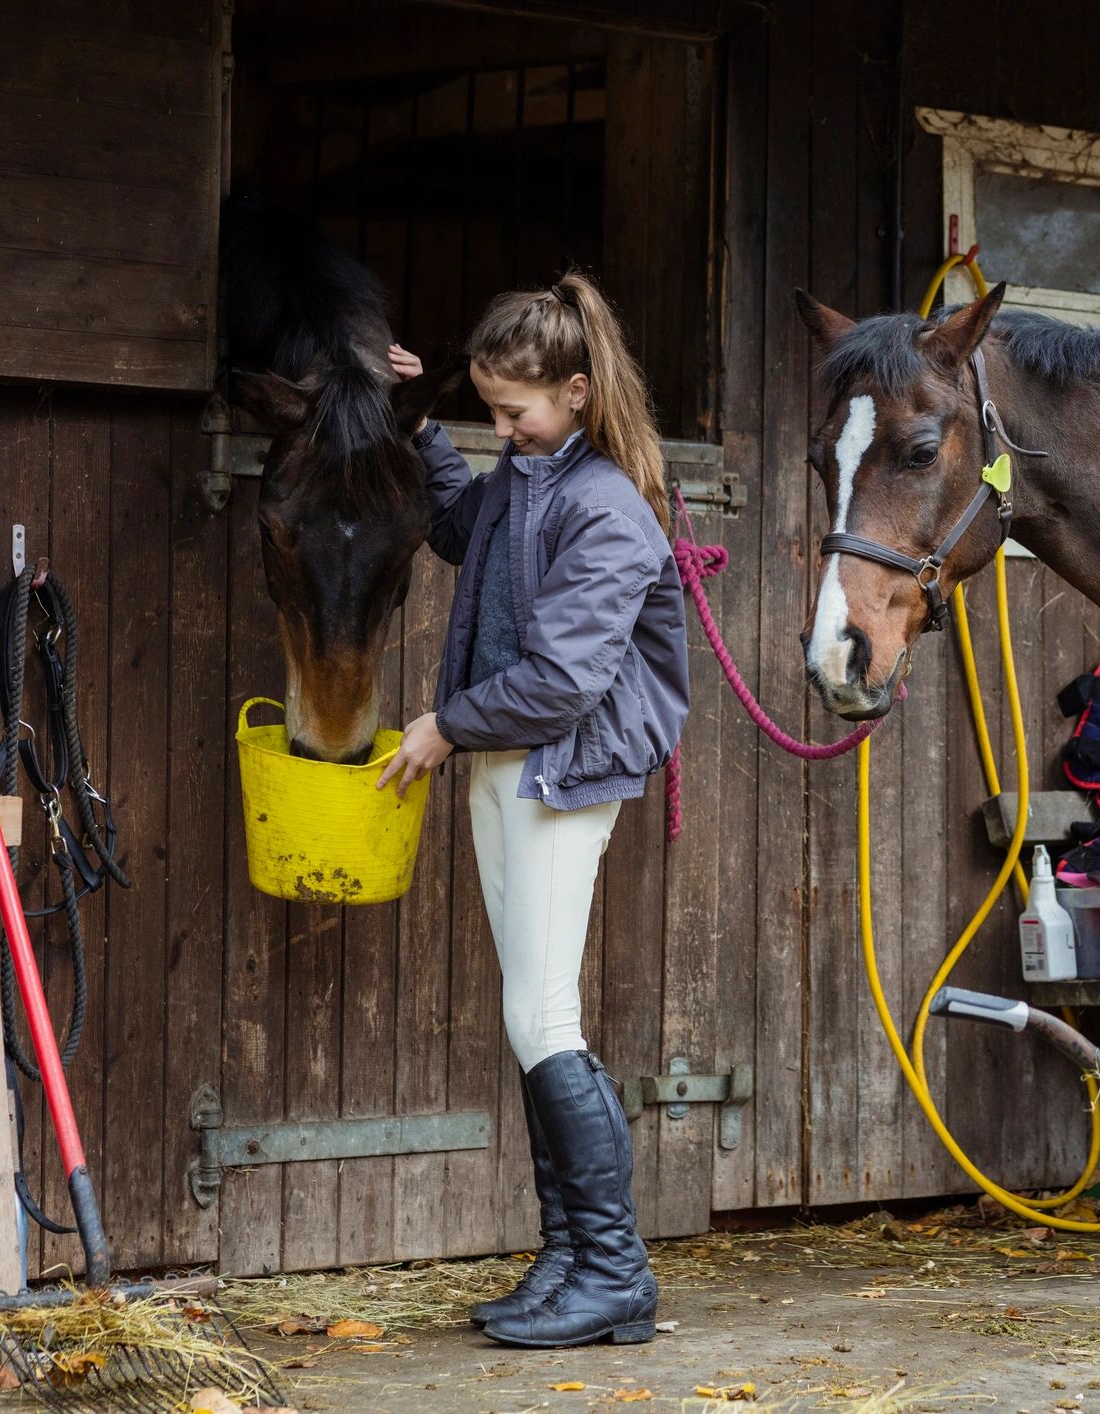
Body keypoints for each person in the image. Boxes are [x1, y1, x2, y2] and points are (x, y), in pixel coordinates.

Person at [378, 272, 687, 1348]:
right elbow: (459, 531)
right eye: (490, 411)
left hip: (559, 768)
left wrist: (443, 725)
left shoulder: (607, 508)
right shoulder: (525, 475)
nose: (502, 431)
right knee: (528, 1015)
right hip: (504, 761)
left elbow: (562, 680)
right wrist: (418, 421)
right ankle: (567, 1258)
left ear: (574, 388)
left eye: (514, 411)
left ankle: (615, 1271)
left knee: (542, 1015)